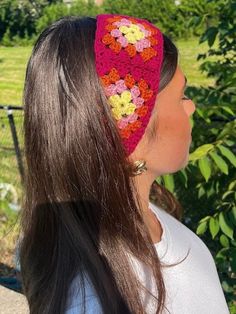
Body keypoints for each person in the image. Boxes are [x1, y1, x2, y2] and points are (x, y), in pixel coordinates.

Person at [19, 14, 230, 314]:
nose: (191, 106)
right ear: (132, 136)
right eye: (182, 95)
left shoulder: (145, 219)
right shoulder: (97, 302)